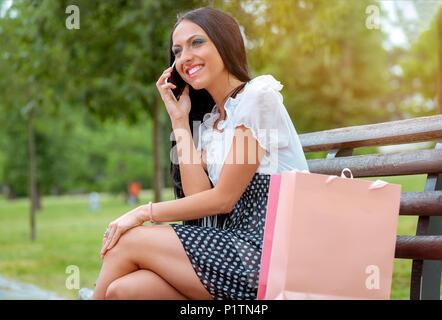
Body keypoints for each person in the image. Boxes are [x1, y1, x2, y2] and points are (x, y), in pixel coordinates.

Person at [92, 6, 309, 300]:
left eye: (197, 42)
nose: (184, 57)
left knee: (128, 241)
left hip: (268, 259)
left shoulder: (257, 99)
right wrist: (179, 119)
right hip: (232, 251)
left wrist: (143, 212)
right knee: (123, 291)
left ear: (225, 42)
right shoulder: (213, 125)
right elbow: (199, 201)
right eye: (177, 51)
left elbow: (222, 199)